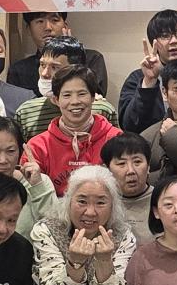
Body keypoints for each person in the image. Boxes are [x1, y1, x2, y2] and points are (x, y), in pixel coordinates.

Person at [24, 66, 121, 194]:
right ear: (56, 100)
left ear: (93, 97)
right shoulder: (37, 147)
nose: (75, 101)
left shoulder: (116, 140)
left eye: (82, 94)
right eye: (67, 95)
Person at [13, 37, 118, 141]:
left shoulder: (102, 109)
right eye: (42, 65)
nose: (45, 73)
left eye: (54, 67)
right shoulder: (25, 112)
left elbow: (116, 148)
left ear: (75, 70)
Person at [118, 9, 177, 132]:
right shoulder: (137, 79)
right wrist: (149, 82)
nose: (174, 41)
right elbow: (129, 126)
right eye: (165, 36)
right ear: (154, 42)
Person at [7, 12, 108, 99]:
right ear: (29, 29)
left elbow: (94, 98)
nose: (48, 28)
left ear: (65, 26)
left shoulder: (92, 58)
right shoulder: (19, 70)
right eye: (40, 21)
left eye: (55, 20)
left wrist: (73, 56)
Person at [104, 132, 155, 242]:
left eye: (137, 162)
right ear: (107, 170)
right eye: (121, 164)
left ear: (148, 166)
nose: (131, 171)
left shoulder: (162, 200)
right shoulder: (102, 203)